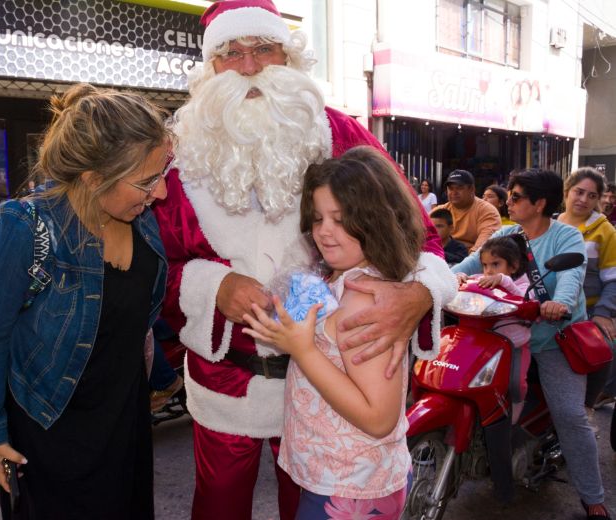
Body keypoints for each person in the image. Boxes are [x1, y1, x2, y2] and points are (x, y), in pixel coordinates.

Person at [153, 2, 454, 518]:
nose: (248, 66)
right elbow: (152, 263)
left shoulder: (339, 133)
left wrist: (419, 293)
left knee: (313, 506)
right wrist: (212, 286)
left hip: (329, 388)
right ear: (210, 66)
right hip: (228, 378)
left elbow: (420, 235)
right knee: (219, 506)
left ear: (288, 57)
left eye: (263, 49)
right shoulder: (179, 150)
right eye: (230, 53)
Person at [0, 84, 170, 519]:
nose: (161, 193)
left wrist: (165, 375)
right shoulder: (25, 227)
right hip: (48, 429)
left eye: (164, 172)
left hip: (125, 422)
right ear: (94, 178)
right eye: (148, 180)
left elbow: (135, 318)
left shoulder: (144, 221)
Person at [242, 146, 452, 520]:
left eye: (340, 219)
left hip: (349, 489)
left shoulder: (364, 301)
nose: (324, 231)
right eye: (318, 218)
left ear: (377, 219)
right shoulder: (344, 279)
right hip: (342, 476)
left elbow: (378, 417)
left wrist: (302, 350)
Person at [452, 168, 610, 520]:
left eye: (517, 196)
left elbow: (571, 277)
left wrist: (562, 304)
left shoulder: (566, 237)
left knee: (570, 415)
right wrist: (449, 277)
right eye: (509, 194)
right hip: (504, 335)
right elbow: (469, 263)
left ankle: (593, 496)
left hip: (553, 339)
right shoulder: (508, 234)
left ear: (540, 204)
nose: (508, 200)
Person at [556, 167, 616, 423]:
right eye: (579, 192)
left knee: (603, 348)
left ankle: (587, 408)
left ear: (600, 200)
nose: (583, 200)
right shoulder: (550, 223)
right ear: (567, 192)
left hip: (589, 312)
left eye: (592, 196)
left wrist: (603, 314)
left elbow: (613, 280)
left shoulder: (606, 232)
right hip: (549, 308)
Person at [455, 235, 530, 423]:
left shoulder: (522, 283)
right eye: (485, 265)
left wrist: (504, 281)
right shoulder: (483, 278)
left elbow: (526, 300)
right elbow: (470, 282)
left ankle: (511, 423)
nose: (488, 271)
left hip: (514, 347)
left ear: (513, 266)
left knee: (516, 385)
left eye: (495, 264)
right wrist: (460, 278)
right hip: (483, 344)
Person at [437, 169, 501, 252]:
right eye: (450, 188)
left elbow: (483, 249)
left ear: (472, 189)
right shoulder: (439, 211)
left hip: (473, 260)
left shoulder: (487, 211)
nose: (454, 192)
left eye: (459, 188)